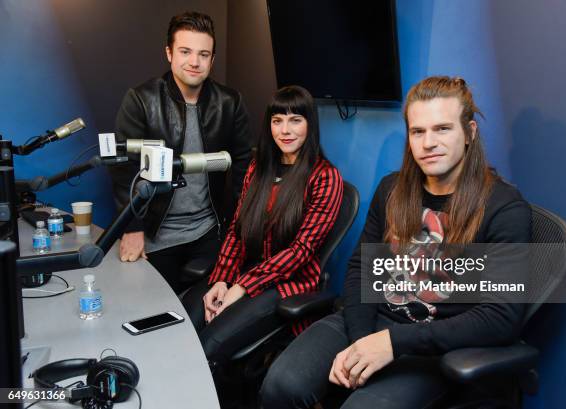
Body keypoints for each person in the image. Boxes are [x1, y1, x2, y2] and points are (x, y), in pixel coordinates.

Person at [261, 76, 531, 409]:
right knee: (280, 385)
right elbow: (362, 267)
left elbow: (501, 316)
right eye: (418, 132)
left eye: (443, 129)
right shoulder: (392, 189)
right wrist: (364, 341)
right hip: (371, 320)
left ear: (469, 134)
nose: (428, 142)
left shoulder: (505, 207)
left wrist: (391, 343)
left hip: (436, 343)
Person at [182, 85, 343, 389]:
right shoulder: (259, 167)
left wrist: (242, 286)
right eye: (277, 120)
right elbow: (238, 229)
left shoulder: (324, 177)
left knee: (207, 347)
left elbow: (301, 251)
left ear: (310, 124)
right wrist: (222, 279)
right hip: (245, 274)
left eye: (295, 120)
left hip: (287, 285)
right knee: (183, 326)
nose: (285, 130)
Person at [109, 11, 252, 293]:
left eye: (203, 54)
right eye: (185, 51)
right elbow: (123, 168)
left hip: (209, 231)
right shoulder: (141, 99)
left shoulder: (229, 102)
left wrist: (236, 233)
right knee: (147, 311)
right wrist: (132, 227)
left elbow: (242, 168)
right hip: (154, 233)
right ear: (169, 53)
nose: (194, 62)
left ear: (212, 59)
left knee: (209, 312)